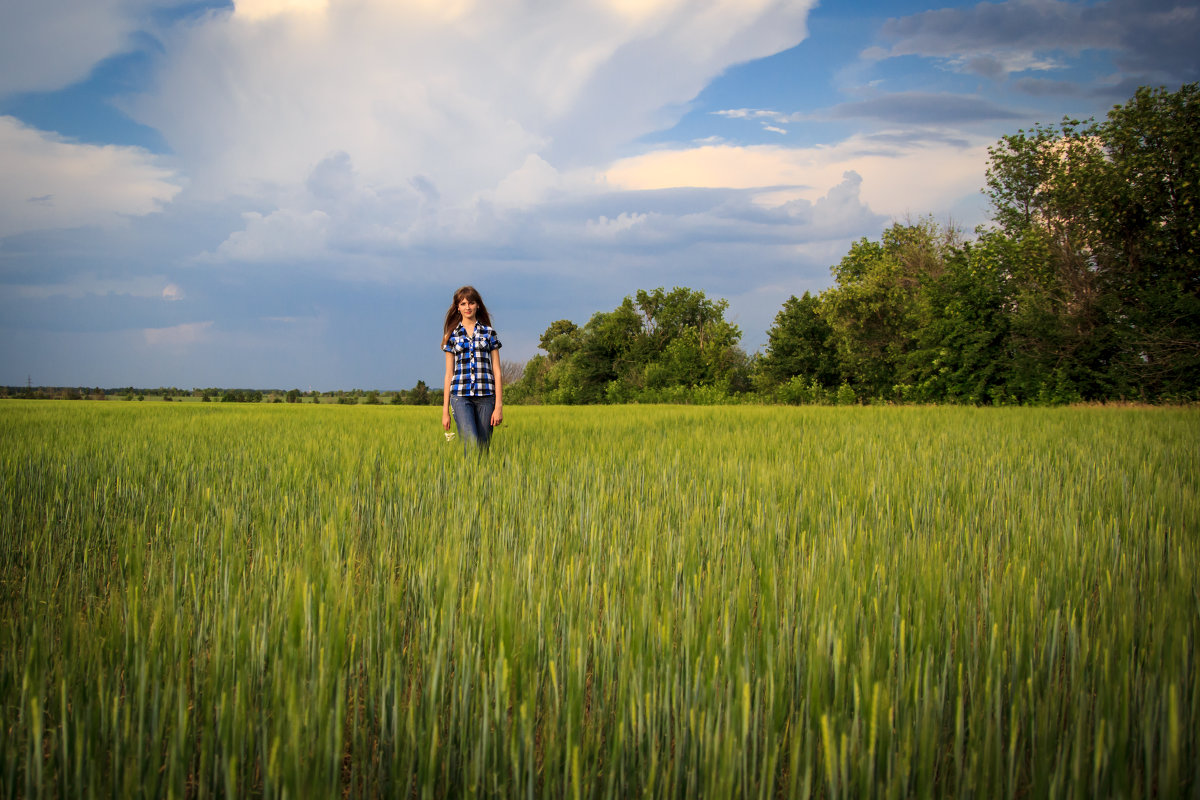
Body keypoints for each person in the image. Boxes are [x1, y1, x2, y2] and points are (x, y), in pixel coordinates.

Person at [442, 286, 503, 454]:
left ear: (478, 305)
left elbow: (497, 371)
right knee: (471, 444)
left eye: (471, 302)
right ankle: (469, 478)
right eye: (463, 303)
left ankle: (480, 479)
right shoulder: (451, 336)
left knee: (483, 448)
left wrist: (498, 406)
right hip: (460, 397)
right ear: (457, 307)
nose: (467, 307)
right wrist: (445, 411)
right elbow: (449, 375)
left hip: (486, 397)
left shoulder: (489, 333)